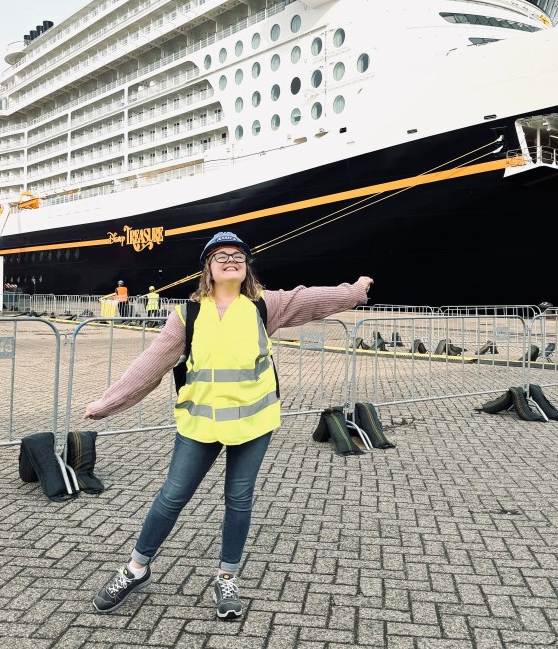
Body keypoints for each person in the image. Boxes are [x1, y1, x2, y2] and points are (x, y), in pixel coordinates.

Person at [86, 230, 372, 619]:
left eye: (238, 255)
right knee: (172, 496)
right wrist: (108, 403)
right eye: (220, 255)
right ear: (208, 268)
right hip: (199, 426)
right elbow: (150, 365)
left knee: (239, 500)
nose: (230, 260)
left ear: (246, 266)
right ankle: (136, 569)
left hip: (253, 423)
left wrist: (354, 292)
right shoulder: (188, 314)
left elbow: (310, 300)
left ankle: (226, 577)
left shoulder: (263, 306)